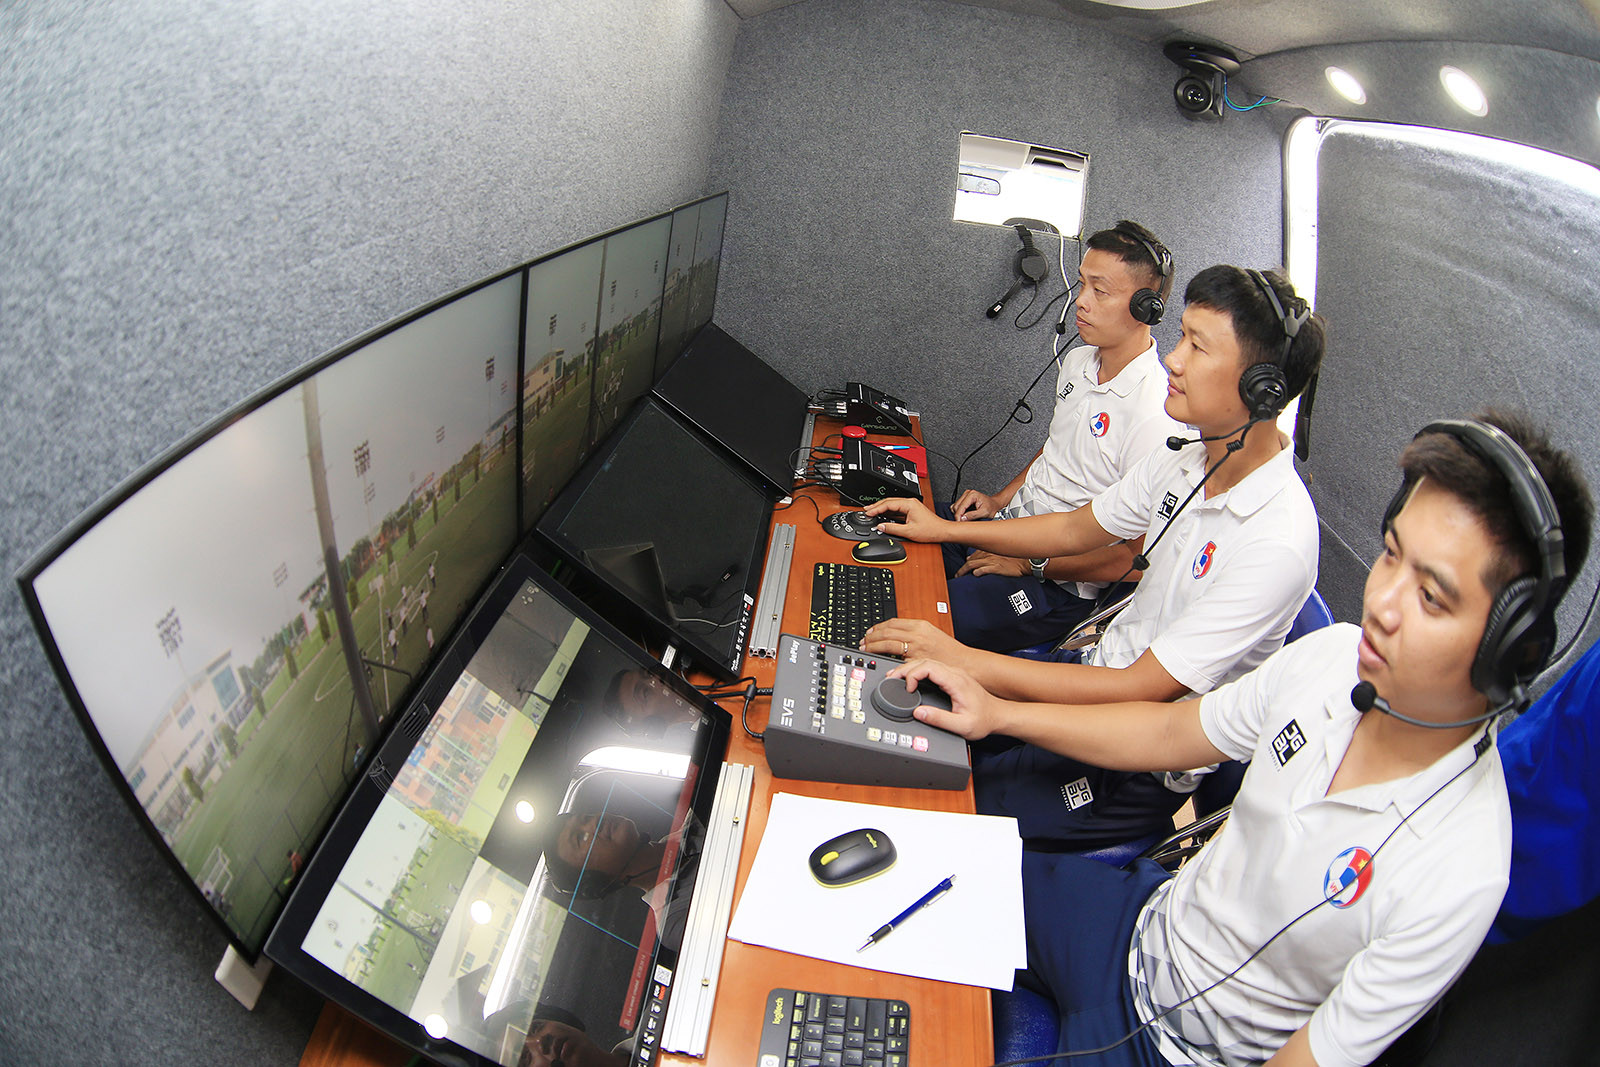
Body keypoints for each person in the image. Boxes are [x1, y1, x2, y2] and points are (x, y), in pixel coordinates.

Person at [891, 411, 1591, 1066]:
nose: (1382, 602)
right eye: (1390, 555)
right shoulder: (1334, 657)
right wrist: (997, 713)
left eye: (1431, 597)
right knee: (915, 870)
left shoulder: (1463, 869)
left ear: (1511, 647)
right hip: (1136, 920)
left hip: (1173, 1050)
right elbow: (1170, 728)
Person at [863, 265, 1325, 846]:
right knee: (908, 738)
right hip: (1094, 675)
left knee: (937, 814)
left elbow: (1141, 689)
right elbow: (1071, 530)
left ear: (1263, 391)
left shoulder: (1275, 541)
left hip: (1134, 760)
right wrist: (943, 531)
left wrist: (968, 661)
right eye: (1181, 337)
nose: (1173, 359)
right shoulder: (1186, 459)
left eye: (1198, 346)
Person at [941, 221, 1184, 652]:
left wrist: (1031, 564)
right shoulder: (1077, 361)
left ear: (1146, 308)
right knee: (902, 541)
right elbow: (1056, 448)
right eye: (1082, 284)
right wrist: (998, 500)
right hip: (1010, 531)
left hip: (1058, 583)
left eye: (1100, 291)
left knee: (929, 611)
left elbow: (1135, 559)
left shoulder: (1155, 415)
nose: (1081, 302)